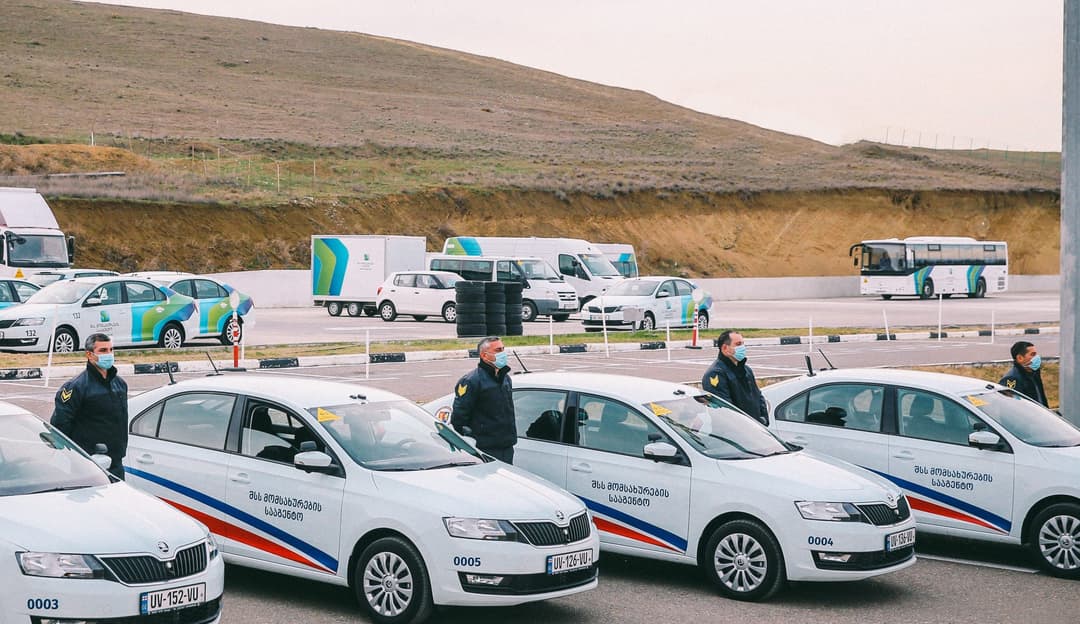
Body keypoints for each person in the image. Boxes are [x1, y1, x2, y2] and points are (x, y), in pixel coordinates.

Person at [50, 333, 129, 479]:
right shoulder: (76, 387)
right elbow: (60, 424)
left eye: (111, 350)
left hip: (116, 461)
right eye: (103, 351)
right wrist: (71, 456)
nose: (109, 354)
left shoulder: (120, 384)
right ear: (89, 354)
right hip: (88, 462)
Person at [451, 336, 517, 463]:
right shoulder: (471, 381)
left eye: (503, 349)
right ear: (484, 356)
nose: (502, 353)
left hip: (506, 447)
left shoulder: (505, 379)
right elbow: (459, 419)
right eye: (498, 350)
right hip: (485, 449)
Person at [702, 330, 768, 424]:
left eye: (743, 344)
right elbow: (725, 409)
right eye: (738, 344)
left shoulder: (746, 370)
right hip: (735, 432)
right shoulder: (716, 374)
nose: (742, 348)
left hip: (755, 430)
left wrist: (763, 420)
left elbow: (758, 396)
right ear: (725, 348)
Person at [999, 340, 1048, 407]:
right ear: (1020, 358)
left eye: (1036, 354)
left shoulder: (1033, 373)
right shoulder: (1012, 379)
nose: (1037, 357)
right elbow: (1011, 407)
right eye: (1032, 354)